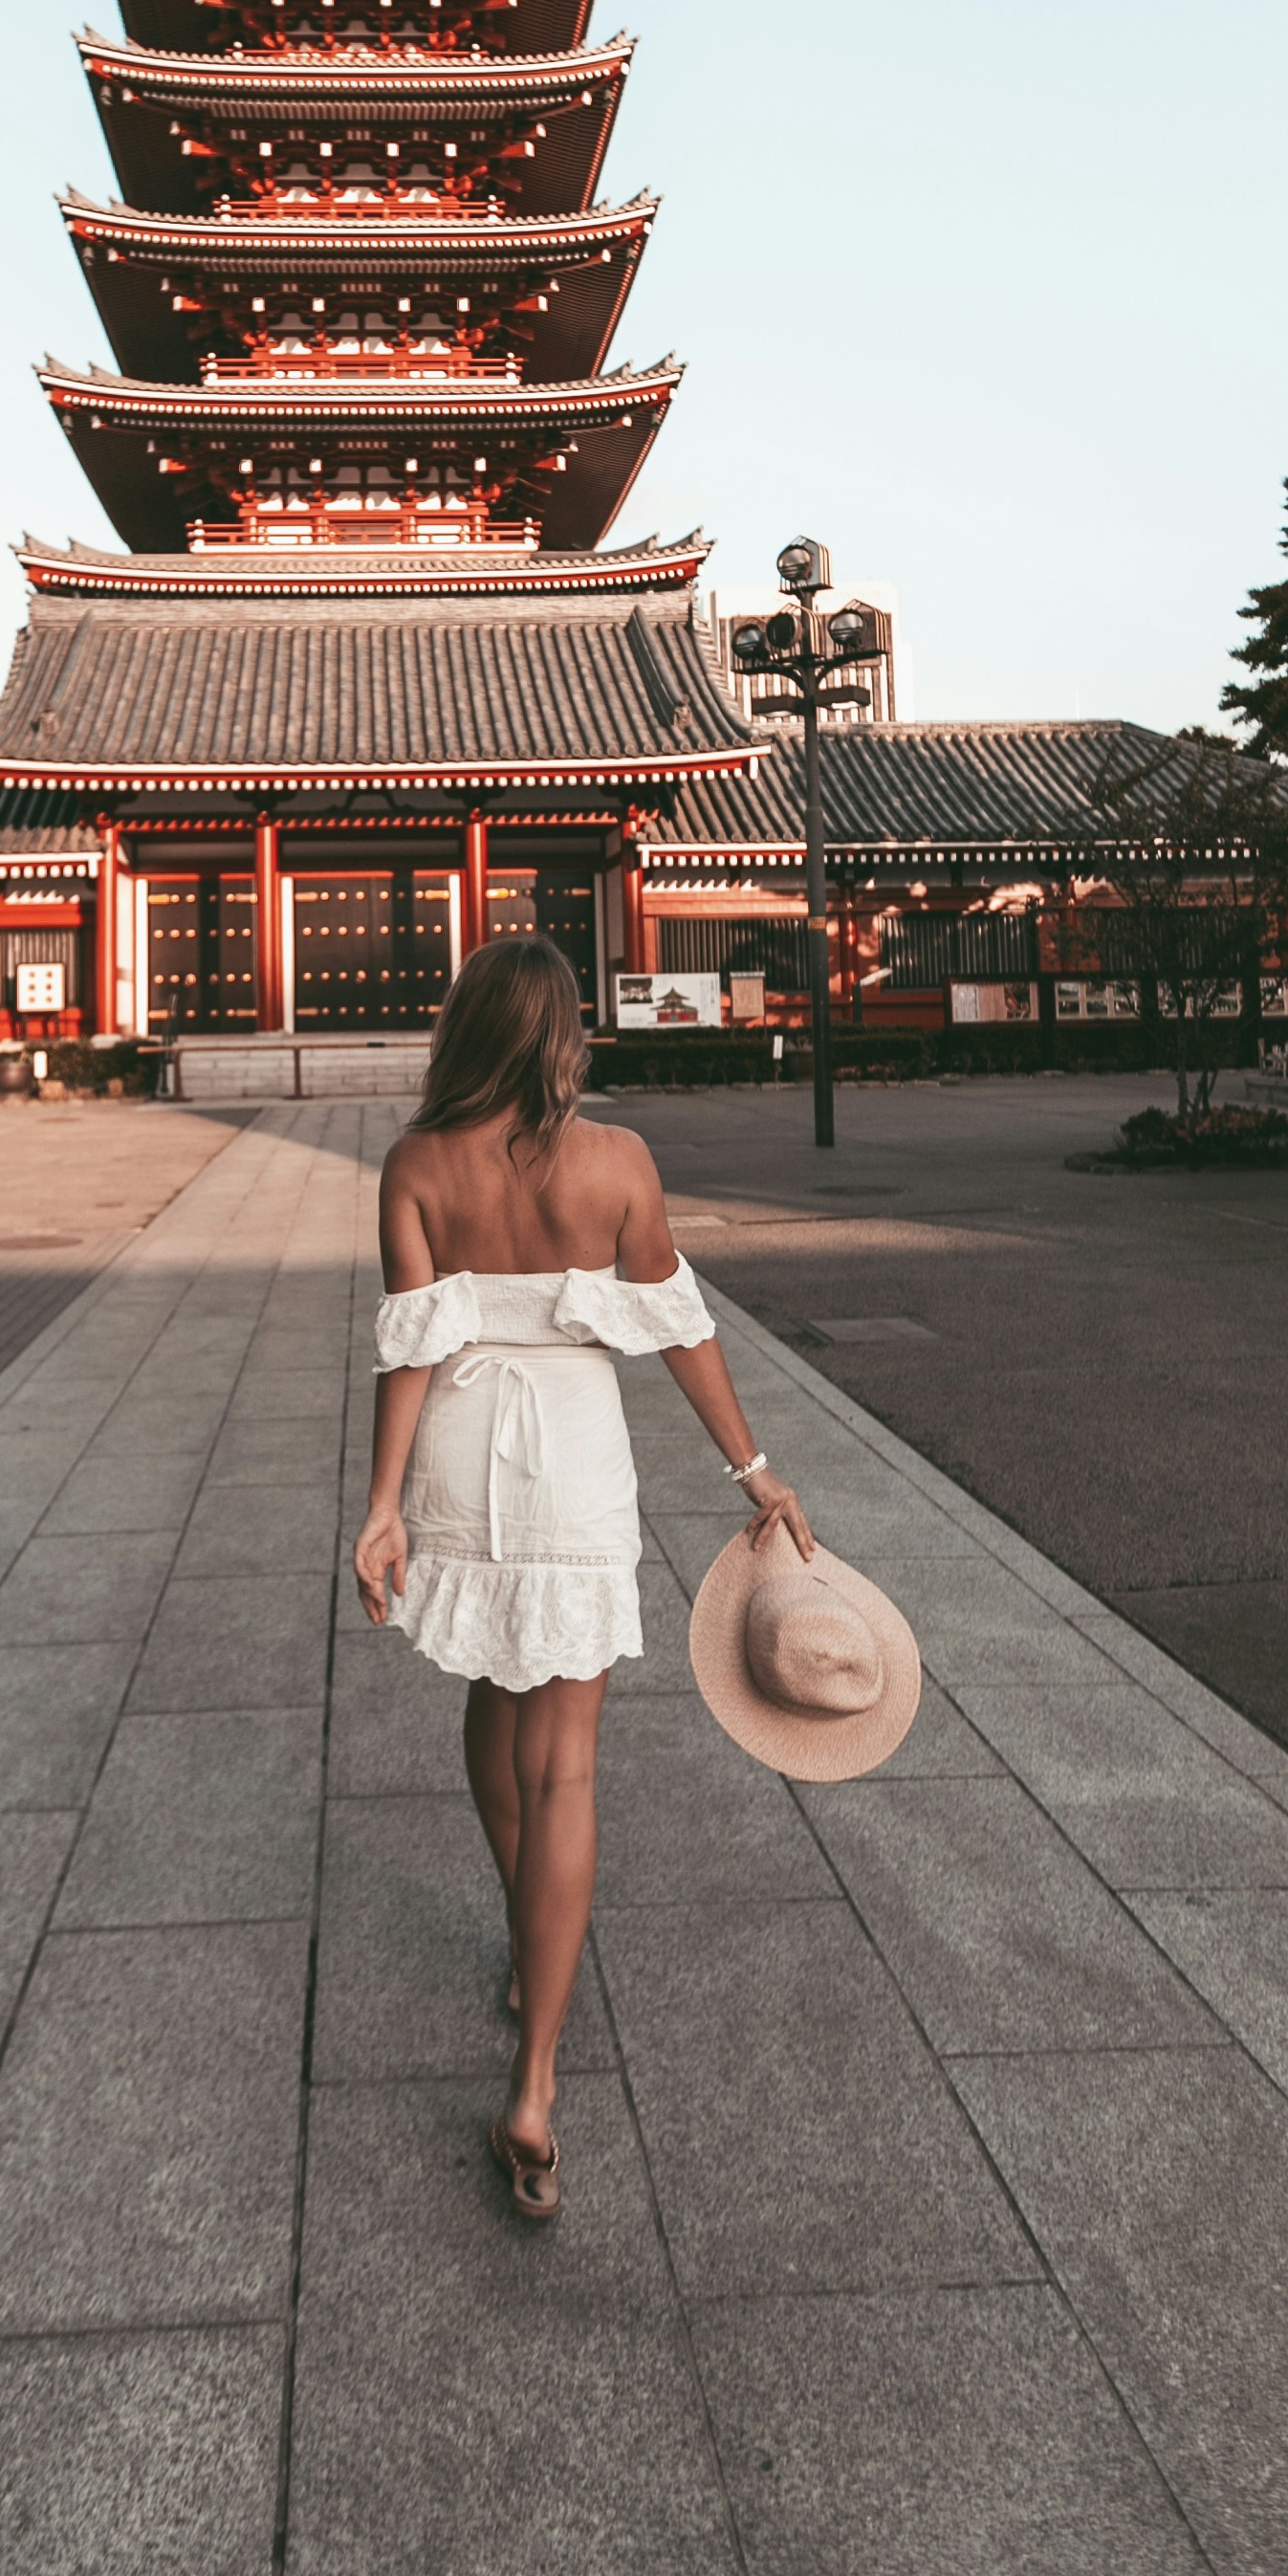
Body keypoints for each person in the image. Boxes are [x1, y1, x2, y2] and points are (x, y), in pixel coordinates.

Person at [352, 936, 812, 2220]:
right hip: (571, 1459)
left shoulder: (417, 1165)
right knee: (567, 1759)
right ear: (557, 1036)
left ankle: (524, 1938)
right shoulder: (618, 1163)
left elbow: (409, 1345)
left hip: (457, 1449)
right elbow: (678, 1328)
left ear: (465, 1033)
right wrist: (752, 1470)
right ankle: (537, 2079)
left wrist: (381, 1508)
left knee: (489, 1705)